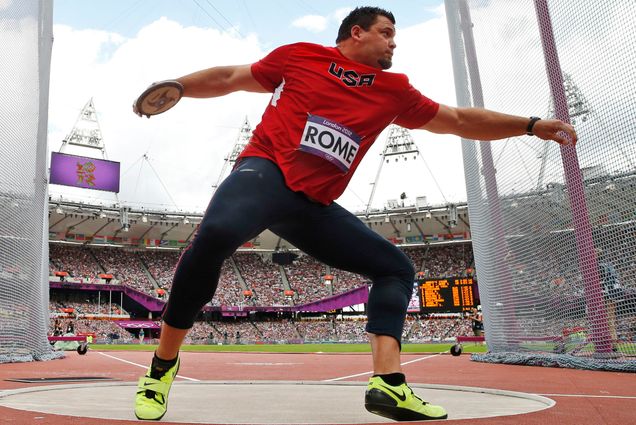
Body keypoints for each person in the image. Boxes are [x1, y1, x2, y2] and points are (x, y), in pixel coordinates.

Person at [133, 6, 577, 422]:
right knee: (216, 235)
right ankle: (160, 369)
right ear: (356, 33)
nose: (393, 43)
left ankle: (388, 384)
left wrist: (530, 124)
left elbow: (459, 119)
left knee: (396, 269)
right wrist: (180, 86)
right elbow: (231, 76)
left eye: (395, 37)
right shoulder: (300, 56)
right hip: (265, 171)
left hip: (312, 204)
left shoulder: (395, 91)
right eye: (386, 33)